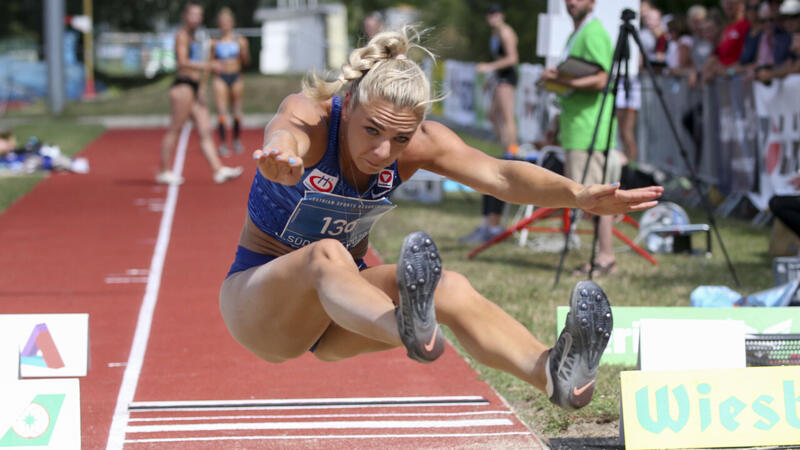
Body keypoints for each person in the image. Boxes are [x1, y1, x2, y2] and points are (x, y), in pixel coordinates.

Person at [218, 28, 662, 412]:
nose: (382, 152)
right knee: (326, 255)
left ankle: (552, 372)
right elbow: (285, 130)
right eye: (372, 130)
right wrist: (283, 155)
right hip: (261, 305)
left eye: (400, 138)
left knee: (447, 287)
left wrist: (578, 195)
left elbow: (500, 174)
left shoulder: (417, 144)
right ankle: (406, 327)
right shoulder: (313, 116)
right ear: (349, 103)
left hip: (344, 312)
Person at [539, 0, 621, 276]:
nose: (571, 2)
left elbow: (601, 78)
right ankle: (602, 257)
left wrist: (563, 81)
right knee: (592, 198)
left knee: (596, 198)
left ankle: (606, 258)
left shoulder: (593, 32)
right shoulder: (579, 32)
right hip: (577, 127)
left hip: (590, 129)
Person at [156, 2, 243, 185]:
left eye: (199, 15)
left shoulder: (196, 37)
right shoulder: (182, 35)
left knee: (205, 130)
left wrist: (202, 86)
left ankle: (218, 170)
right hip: (183, 86)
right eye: (193, 15)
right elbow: (182, 62)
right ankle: (163, 170)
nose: (197, 19)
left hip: (194, 88)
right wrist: (209, 66)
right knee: (175, 128)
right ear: (185, 16)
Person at [459, 3, 520, 244]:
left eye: (495, 13)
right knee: (493, 114)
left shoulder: (505, 32)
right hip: (500, 77)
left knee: (506, 115)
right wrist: (492, 78)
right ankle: (506, 146)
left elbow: (512, 58)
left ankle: (511, 149)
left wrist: (490, 68)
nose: (491, 17)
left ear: (502, 15)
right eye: (489, 14)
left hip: (507, 77)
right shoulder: (496, 33)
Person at [211, 7, 250, 156]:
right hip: (220, 77)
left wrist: (244, 53)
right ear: (219, 24)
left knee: (237, 111)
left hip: (236, 76)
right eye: (222, 22)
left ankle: (236, 140)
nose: (225, 24)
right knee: (221, 111)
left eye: (227, 21)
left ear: (232, 23)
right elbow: (211, 62)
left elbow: (246, 62)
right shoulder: (214, 42)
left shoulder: (239, 40)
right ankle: (222, 143)